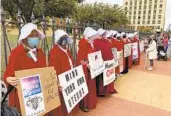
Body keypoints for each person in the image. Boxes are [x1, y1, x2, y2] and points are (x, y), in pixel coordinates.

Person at [3, 23, 46, 113]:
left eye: (36, 35)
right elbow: (8, 74)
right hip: (23, 98)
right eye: (31, 36)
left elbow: (46, 72)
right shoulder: (16, 53)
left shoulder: (41, 53)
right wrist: (8, 79)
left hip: (39, 95)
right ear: (25, 38)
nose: (35, 38)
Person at [49, 29, 78, 116]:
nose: (64, 40)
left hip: (69, 79)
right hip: (61, 81)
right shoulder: (54, 52)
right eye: (62, 38)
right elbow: (53, 70)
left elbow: (71, 62)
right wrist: (57, 82)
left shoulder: (67, 50)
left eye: (65, 37)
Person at [76, 27, 99, 112]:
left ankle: (89, 102)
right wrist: (87, 65)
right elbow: (80, 59)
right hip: (85, 68)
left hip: (90, 67)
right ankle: (83, 104)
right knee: (85, 86)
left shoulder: (90, 43)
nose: (93, 37)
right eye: (92, 35)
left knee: (90, 85)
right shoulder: (83, 43)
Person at [94, 28, 117, 97]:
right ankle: (101, 91)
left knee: (107, 76)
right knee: (101, 78)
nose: (105, 35)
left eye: (105, 34)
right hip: (101, 63)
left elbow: (110, 50)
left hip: (108, 62)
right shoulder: (96, 42)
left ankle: (107, 89)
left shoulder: (106, 41)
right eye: (103, 34)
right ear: (100, 34)